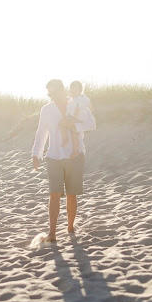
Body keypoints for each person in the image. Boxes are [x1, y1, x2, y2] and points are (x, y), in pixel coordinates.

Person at [32, 79, 96, 242]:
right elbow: (42, 132)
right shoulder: (46, 110)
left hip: (75, 155)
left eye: (54, 92)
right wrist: (35, 153)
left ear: (62, 89)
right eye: (49, 94)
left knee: (71, 195)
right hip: (53, 156)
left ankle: (70, 227)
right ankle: (52, 232)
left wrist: (74, 127)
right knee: (54, 194)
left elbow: (92, 124)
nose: (51, 96)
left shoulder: (77, 103)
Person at [61, 80, 93, 158]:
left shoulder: (80, 98)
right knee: (61, 124)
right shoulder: (73, 98)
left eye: (75, 90)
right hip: (74, 116)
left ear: (80, 90)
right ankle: (65, 138)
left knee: (73, 132)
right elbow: (89, 104)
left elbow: (77, 110)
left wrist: (73, 119)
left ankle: (76, 150)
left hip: (78, 117)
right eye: (71, 89)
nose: (73, 92)